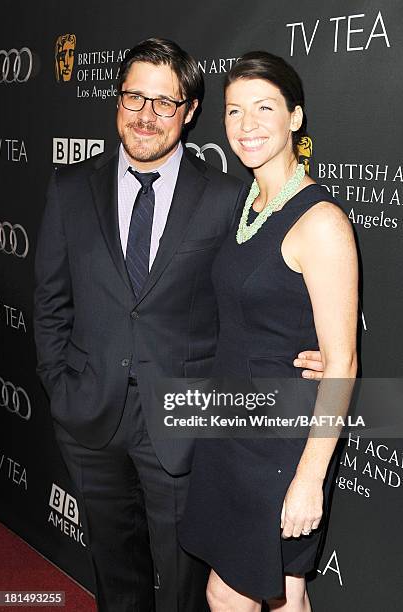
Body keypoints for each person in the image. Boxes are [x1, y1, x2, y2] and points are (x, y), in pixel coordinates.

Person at [34, 39, 324, 612]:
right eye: (134, 97)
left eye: (164, 103)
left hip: (187, 423)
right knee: (116, 581)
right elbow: (49, 303)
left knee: (188, 591)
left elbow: (259, 287)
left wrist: (310, 352)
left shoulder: (226, 197)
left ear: (190, 111)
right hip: (90, 416)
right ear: (116, 101)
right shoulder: (70, 189)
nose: (146, 115)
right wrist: (61, 386)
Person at [179, 51, 358, 611]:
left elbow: (343, 361)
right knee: (284, 595)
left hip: (280, 443)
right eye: (234, 111)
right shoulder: (245, 202)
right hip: (232, 427)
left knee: (230, 594)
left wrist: (309, 478)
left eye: (264, 107)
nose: (246, 125)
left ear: (295, 118)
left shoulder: (321, 223)